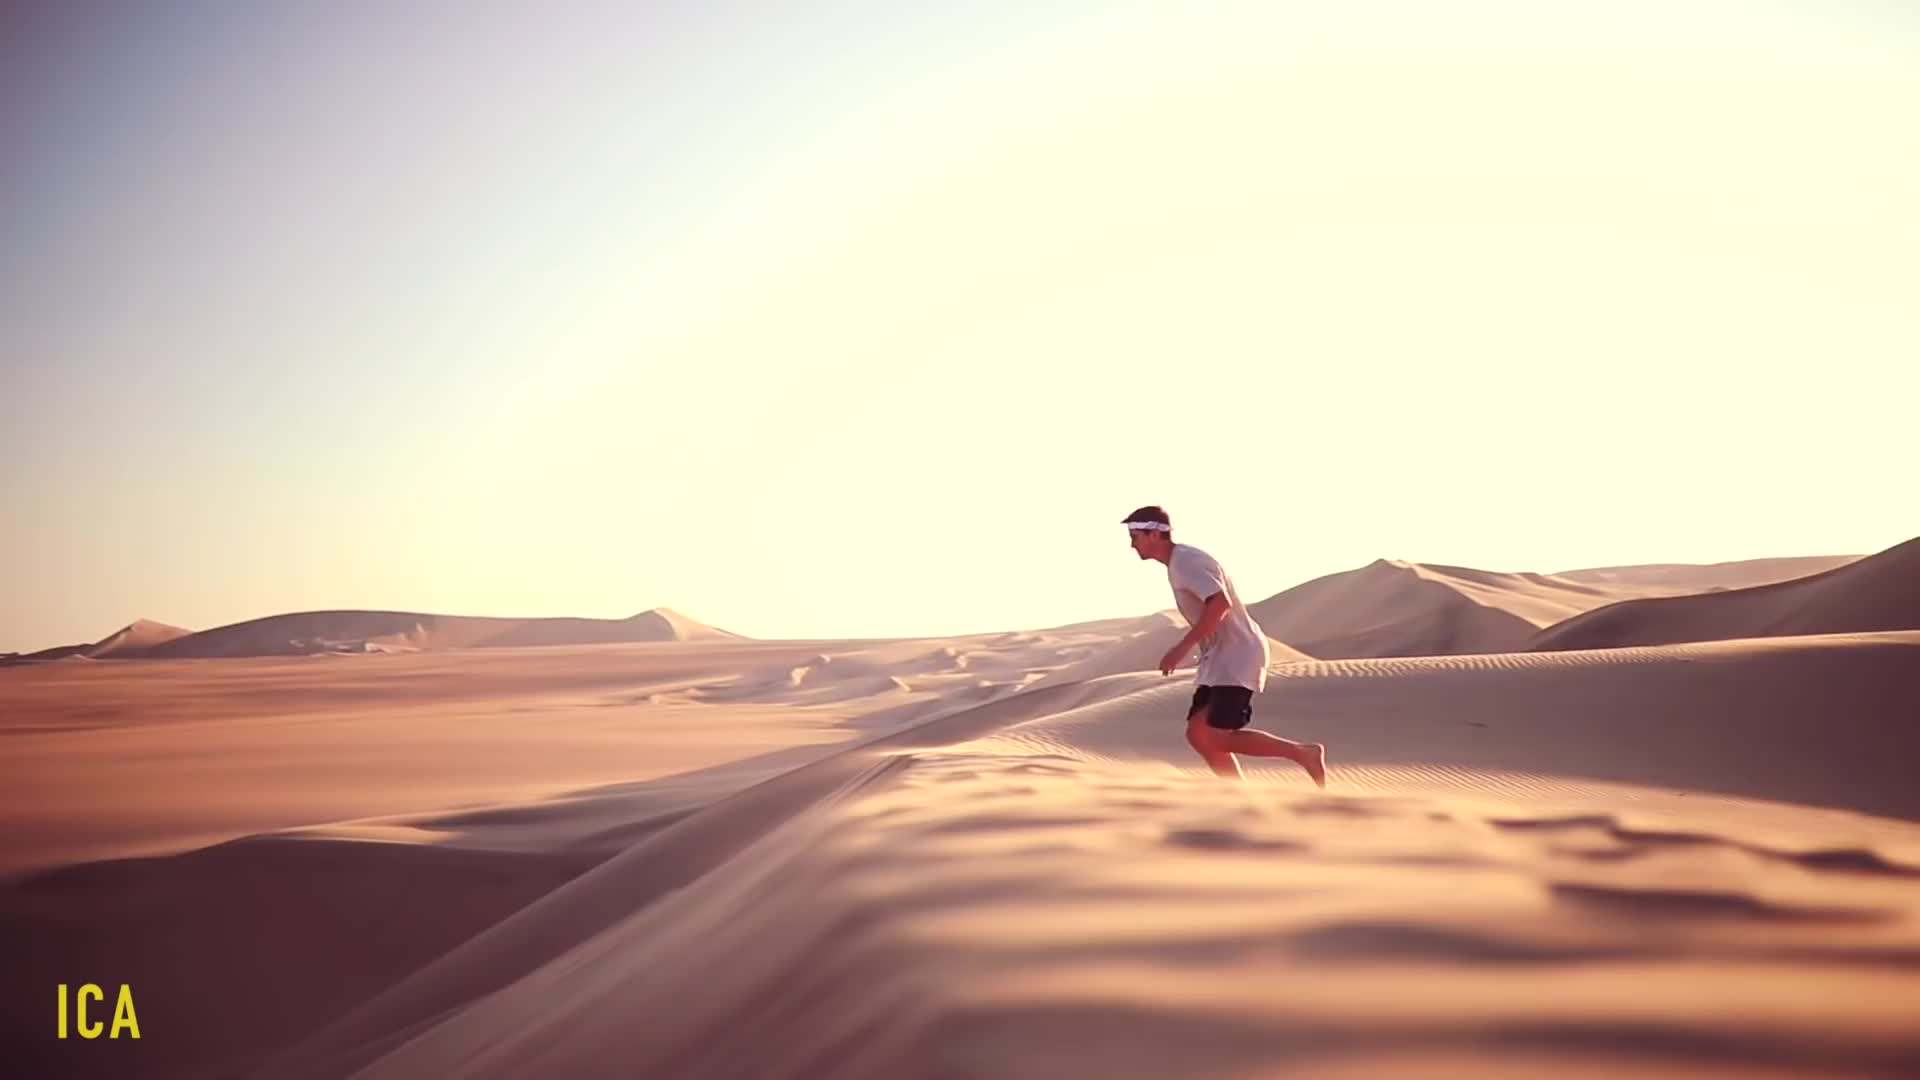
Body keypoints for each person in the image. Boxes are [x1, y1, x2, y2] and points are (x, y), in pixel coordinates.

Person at [1123, 505, 1326, 786]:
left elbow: (1220, 604)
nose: (1132, 544)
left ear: (1156, 534)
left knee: (1217, 735)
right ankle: (1238, 794)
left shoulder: (1187, 562)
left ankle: (1303, 753)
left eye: (1136, 535)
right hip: (1219, 656)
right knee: (1199, 735)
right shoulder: (1178, 564)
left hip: (1238, 653)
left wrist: (1181, 648)